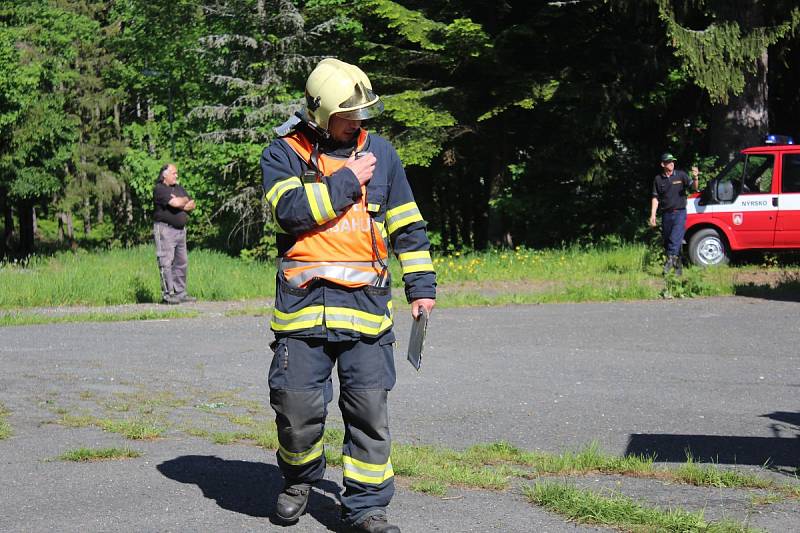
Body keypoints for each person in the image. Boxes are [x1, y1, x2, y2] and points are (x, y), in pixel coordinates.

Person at [260, 58, 436, 533]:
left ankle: (367, 508)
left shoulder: (383, 154)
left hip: (367, 316)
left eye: (362, 114)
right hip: (303, 314)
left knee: (368, 415)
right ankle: (299, 480)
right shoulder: (283, 154)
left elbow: (407, 226)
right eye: (346, 115)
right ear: (319, 113)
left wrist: (422, 287)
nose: (356, 123)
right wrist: (344, 181)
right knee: (296, 413)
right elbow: (290, 212)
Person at [153, 163, 197, 304]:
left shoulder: (178, 188)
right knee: (166, 262)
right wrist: (182, 202)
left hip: (180, 232)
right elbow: (176, 203)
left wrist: (182, 201)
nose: (176, 175)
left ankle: (180, 293)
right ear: (165, 175)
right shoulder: (160, 189)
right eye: (174, 173)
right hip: (165, 230)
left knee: (181, 262)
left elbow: (192, 204)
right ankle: (168, 295)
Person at [649, 152, 699, 275]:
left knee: (674, 239)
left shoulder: (681, 175)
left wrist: (696, 177)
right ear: (663, 164)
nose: (671, 163)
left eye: (672, 161)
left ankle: (670, 261)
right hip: (666, 214)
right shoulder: (658, 179)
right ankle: (678, 269)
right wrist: (653, 215)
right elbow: (655, 198)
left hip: (680, 213)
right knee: (668, 242)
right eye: (668, 161)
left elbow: (694, 188)